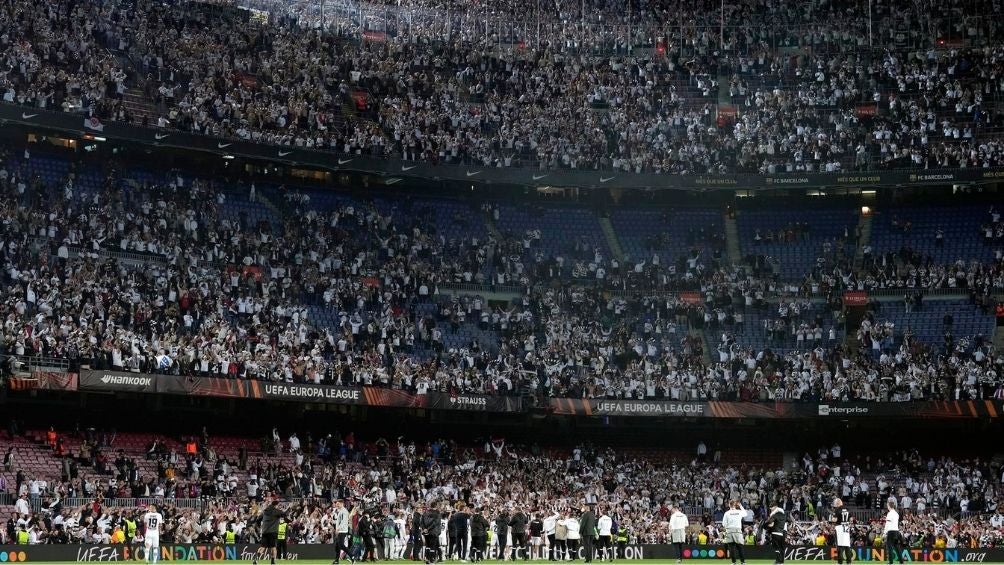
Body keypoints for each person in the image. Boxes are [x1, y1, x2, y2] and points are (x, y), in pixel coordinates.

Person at [254, 495, 285, 565]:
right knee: (273, 547)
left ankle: (256, 559)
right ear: (276, 505)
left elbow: (258, 519)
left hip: (265, 531)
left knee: (262, 547)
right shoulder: (276, 511)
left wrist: (259, 527)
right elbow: (284, 514)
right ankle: (273, 562)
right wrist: (289, 507)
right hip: (273, 532)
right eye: (278, 505)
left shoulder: (265, 511)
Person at [722, 500, 746, 565]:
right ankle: (743, 562)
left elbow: (724, 524)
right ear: (735, 505)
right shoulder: (739, 512)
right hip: (737, 531)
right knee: (740, 547)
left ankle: (733, 562)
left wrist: (727, 527)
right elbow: (745, 514)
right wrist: (740, 506)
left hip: (729, 531)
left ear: (729, 505)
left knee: (731, 548)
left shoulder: (726, 513)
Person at [830, 498, 852, 565]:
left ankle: (840, 562)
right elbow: (851, 519)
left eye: (835, 504)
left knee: (839, 546)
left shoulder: (837, 510)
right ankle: (849, 562)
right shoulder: (847, 509)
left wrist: (832, 517)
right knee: (847, 545)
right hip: (846, 528)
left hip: (839, 528)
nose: (834, 506)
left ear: (838, 503)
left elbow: (834, 520)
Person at [884, 500, 904, 565]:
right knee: (897, 547)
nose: (887, 507)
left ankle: (891, 562)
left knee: (889, 547)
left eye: (887, 506)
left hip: (891, 531)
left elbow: (888, 524)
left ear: (889, 506)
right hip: (896, 531)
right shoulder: (896, 513)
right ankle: (901, 562)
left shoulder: (889, 513)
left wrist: (884, 533)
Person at [333, 499, 354, 564]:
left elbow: (344, 522)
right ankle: (336, 560)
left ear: (342, 504)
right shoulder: (341, 511)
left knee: (341, 545)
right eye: (336, 504)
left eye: (338, 504)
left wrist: (338, 529)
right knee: (337, 546)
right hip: (340, 530)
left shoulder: (344, 511)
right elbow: (338, 521)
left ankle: (352, 556)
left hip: (342, 531)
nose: (337, 505)